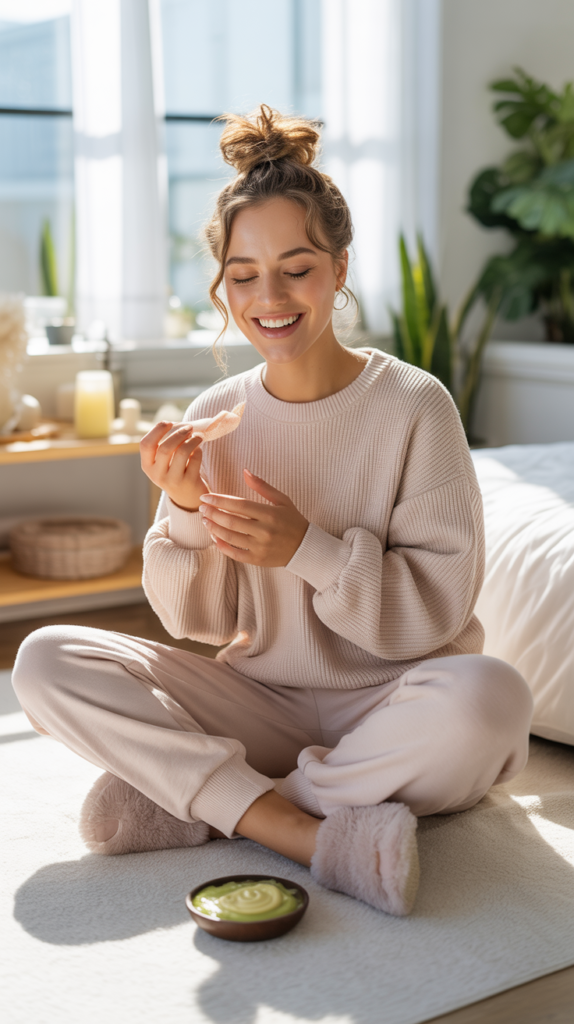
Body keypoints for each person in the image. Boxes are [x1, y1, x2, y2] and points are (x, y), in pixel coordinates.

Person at [12, 105, 533, 917]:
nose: (270, 297)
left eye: (297, 267)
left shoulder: (414, 405)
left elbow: (436, 615)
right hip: (259, 700)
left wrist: (310, 549)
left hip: (390, 701)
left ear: (339, 267)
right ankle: (307, 831)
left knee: (492, 698)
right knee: (44, 660)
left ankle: (213, 804)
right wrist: (183, 510)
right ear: (221, 283)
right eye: (243, 275)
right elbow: (198, 624)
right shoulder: (217, 411)